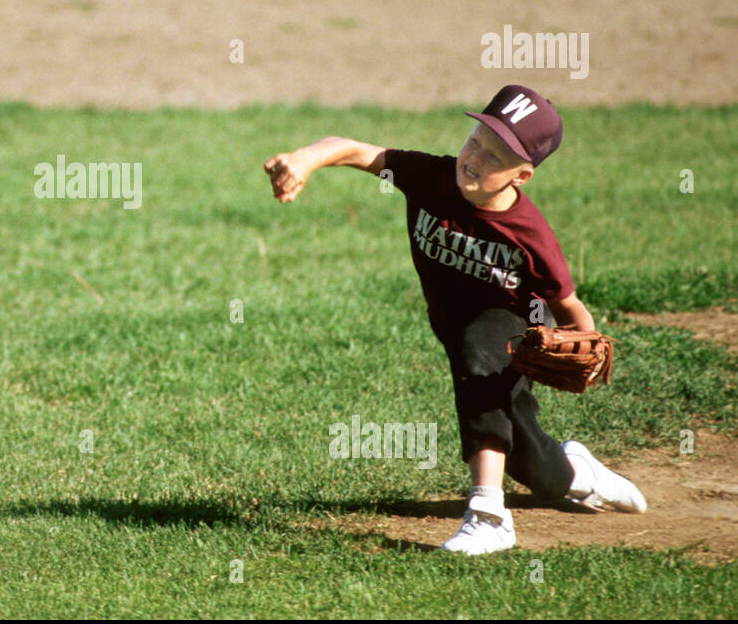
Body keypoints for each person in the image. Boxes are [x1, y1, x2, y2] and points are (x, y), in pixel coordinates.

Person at [264, 84, 646, 555]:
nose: (475, 158)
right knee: (528, 461)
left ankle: (488, 515)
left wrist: (585, 344)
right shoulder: (431, 177)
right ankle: (574, 470)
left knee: (478, 349)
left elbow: (570, 307)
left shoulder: (531, 234)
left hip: (512, 324)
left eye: (495, 156)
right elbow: (357, 151)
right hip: (459, 330)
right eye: (476, 141)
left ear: (521, 175)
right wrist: (304, 161)